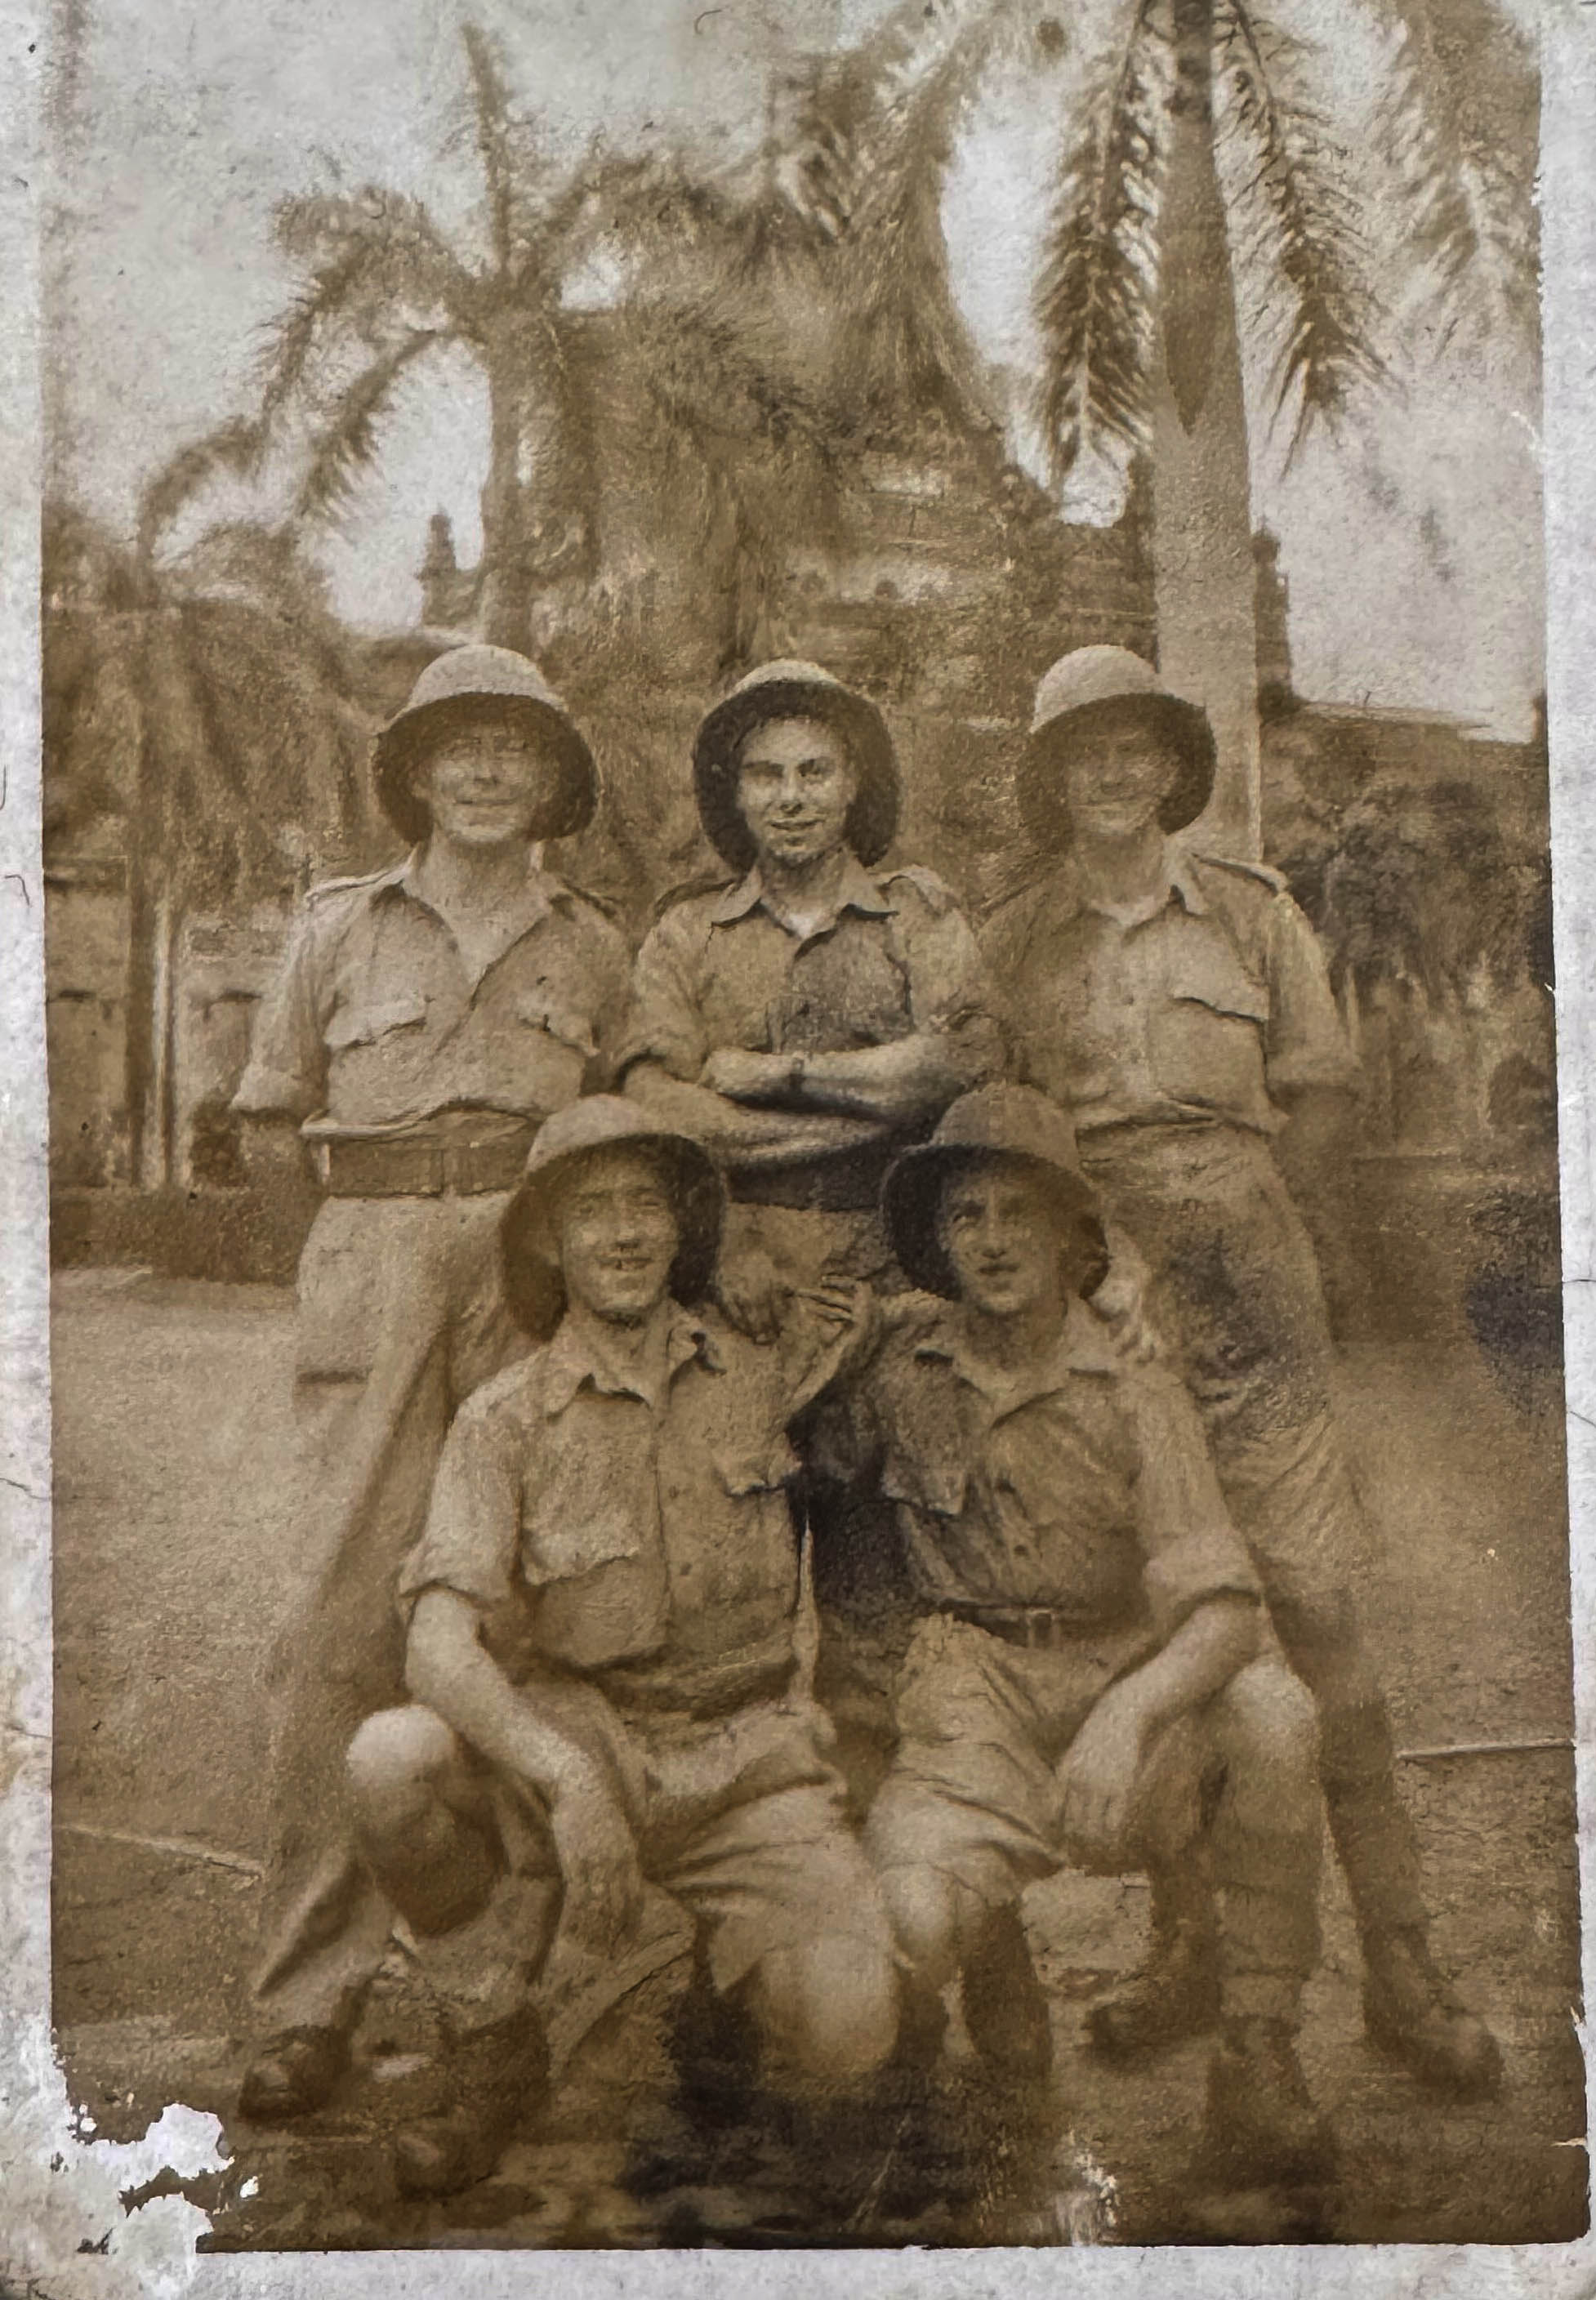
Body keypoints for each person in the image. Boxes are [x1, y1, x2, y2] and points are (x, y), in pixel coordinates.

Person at [981, 644, 1500, 2097]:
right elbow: (1000, 1130)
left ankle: (1404, 1968)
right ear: (1049, 776)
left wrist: (1270, 1248)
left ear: (1168, 770)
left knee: (1320, 1622)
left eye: (1134, 750)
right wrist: (1092, 1277)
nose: (1110, 776)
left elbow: (1320, 1101)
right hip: (1097, 1314)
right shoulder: (1011, 938)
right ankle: (1193, 1956)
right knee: (1165, 1629)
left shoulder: (1255, 917)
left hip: (1252, 1306)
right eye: (1081, 753)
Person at [614, 657, 1057, 2063]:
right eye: (763, 775)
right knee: (728, 1641)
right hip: (739, 1303)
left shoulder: (921, 914)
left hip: (894, 1298)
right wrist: (834, 1118)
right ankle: (741, 1955)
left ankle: (972, 1947)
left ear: (855, 781)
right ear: (730, 793)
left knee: (907, 1631)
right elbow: (655, 1104)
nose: (789, 799)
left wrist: (780, 1079)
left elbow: (961, 1070)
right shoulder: (687, 932)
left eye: (813, 771)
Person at [345, 1097, 900, 2199]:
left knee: (850, 2033)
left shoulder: (761, 1372)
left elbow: (920, 1317)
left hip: (748, 1762)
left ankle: (719, 2000)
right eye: (590, 1210)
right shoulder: (502, 1419)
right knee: (389, 1762)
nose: (624, 1233)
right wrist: (564, 1778)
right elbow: (437, 1646)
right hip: (580, 1742)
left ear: (683, 1226)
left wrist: (1111, 1287)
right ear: (548, 1242)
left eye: (645, 1202)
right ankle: (493, 2041)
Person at [231, 644, 629, 2124]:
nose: (482, 772)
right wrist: (342, 1274)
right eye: (454, 747)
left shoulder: (591, 940)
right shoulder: (339, 926)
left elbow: (631, 1127)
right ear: (413, 771)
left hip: (530, 1278)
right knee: (336, 1634)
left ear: (547, 782)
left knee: (512, 1626)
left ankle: (498, 2000)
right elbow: (273, 1126)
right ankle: (304, 2000)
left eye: (511, 751)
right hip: (376, 1257)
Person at [852, 1084, 1332, 2190]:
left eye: (1018, 1214)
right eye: (964, 1217)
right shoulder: (894, 1363)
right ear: (934, 1239)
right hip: (971, 1698)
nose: (991, 1242)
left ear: (1077, 1236)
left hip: (1122, 1675)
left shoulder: (1132, 1379)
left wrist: (1129, 1711)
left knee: (1272, 1714)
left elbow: (1221, 1610)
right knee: (904, 1922)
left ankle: (1256, 2048)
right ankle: (965, 2009)